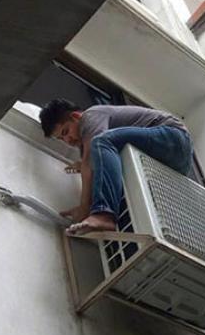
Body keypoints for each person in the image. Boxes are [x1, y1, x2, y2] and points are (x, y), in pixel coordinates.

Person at [39, 99, 193, 234]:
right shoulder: (89, 145)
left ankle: (104, 215)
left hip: (173, 137)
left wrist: (84, 207)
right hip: (172, 164)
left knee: (101, 141)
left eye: (66, 132)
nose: (68, 140)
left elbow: (89, 165)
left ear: (76, 116)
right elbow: (92, 169)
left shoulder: (91, 116)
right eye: (62, 139)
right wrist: (84, 209)